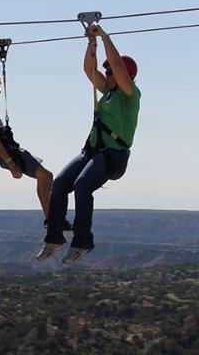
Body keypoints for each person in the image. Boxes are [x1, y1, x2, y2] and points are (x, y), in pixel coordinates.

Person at [36, 24, 141, 264]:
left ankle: (82, 241)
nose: (108, 75)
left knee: (83, 185)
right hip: (92, 152)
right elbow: (88, 69)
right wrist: (91, 44)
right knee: (61, 183)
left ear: (126, 75)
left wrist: (105, 37)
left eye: (112, 72)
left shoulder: (130, 95)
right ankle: (54, 237)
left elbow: (117, 67)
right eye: (108, 73)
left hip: (113, 156)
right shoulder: (108, 92)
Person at [0, 72, 69, 228]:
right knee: (46, 177)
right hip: (10, 155)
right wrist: (11, 164)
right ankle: (52, 221)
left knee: (45, 177)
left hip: (12, 153)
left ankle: (51, 219)